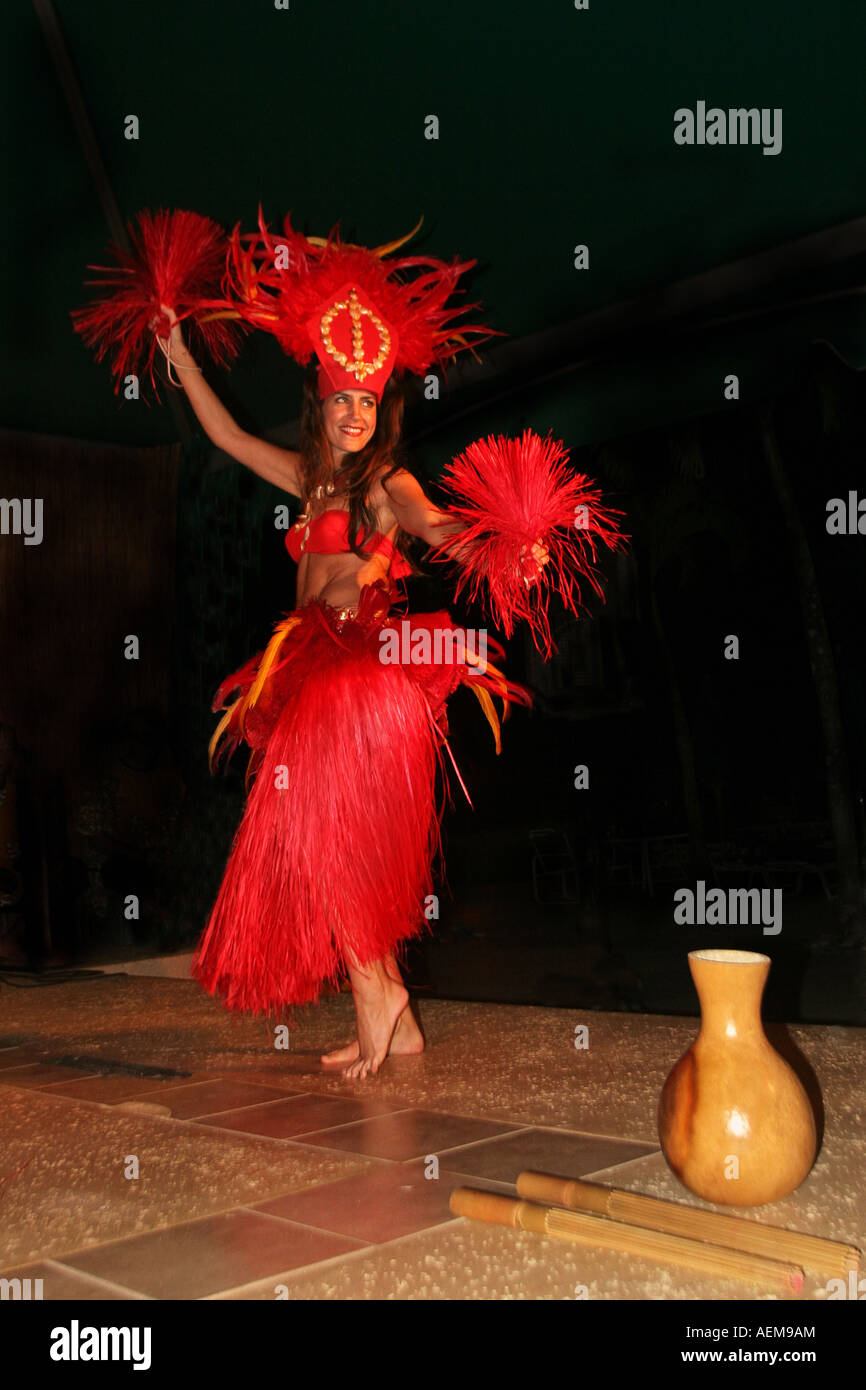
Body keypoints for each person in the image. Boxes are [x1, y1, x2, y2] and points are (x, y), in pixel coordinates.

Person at [156, 297, 546, 1081]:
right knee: (331, 835)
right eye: (345, 399)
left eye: (369, 401)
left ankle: (375, 992)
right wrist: (179, 353)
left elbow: (435, 526)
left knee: (309, 826)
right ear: (323, 406)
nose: (358, 413)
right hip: (309, 663)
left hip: (361, 666)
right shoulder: (307, 478)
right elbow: (227, 435)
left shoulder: (386, 483)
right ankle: (391, 1002)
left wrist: (504, 550)